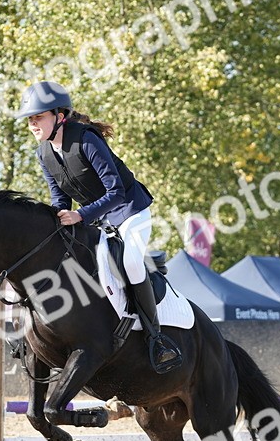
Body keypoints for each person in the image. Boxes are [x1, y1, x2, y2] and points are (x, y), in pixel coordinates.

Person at [15, 80, 182, 373]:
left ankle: (157, 339)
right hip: (97, 219)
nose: (33, 124)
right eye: (30, 119)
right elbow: (59, 198)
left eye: (38, 117)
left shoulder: (86, 140)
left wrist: (80, 216)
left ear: (59, 115)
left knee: (129, 262)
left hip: (130, 211)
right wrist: (57, 219)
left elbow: (115, 191)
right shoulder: (43, 153)